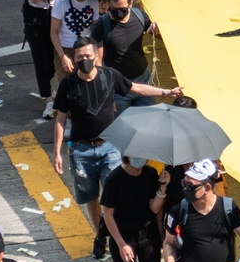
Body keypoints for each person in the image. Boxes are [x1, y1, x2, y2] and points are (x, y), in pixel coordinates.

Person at [53, 35, 179, 234]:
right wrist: (57, 153)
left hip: (109, 146)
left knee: (114, 193)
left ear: (96, 55)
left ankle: (116, 234)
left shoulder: (110, 75)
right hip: (81, 150)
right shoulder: (67, 85)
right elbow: (60, 119)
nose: (83, 60)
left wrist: (165, 92)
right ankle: (99, 234)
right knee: (90, 196)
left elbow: (135, 88)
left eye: (87, 55)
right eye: (79, 57)